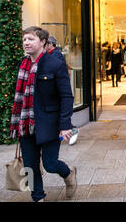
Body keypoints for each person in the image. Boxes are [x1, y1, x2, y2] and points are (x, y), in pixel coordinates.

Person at [9, 26, 77, 202]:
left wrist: (64, 125)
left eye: (31, 39)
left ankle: (68, 173)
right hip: (25, 124)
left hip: (48, 123)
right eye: (24, 39)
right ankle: (38, 196)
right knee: (30, 166)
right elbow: (20, 97)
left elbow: (66, 96)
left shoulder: (55, 65)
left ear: (43, 42)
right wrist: (16, 122)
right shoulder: (22, 65)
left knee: (50, 164)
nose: (26, 42)